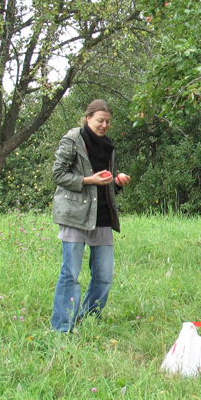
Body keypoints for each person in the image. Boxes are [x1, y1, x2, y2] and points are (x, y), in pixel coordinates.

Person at [50, 99, 130, 332]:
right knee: (70, 275)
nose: (104, 125)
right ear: (88, 119)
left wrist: (116, 181)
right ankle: (62, 329)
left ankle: (86, 322)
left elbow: (104, 184)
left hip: (102, 216)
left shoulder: (108, 145)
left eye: (107, 121)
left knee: (104, 277)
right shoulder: (73, 140)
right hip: (74, 214)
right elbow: (58, 175)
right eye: (99, 120)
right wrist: (88, 180)